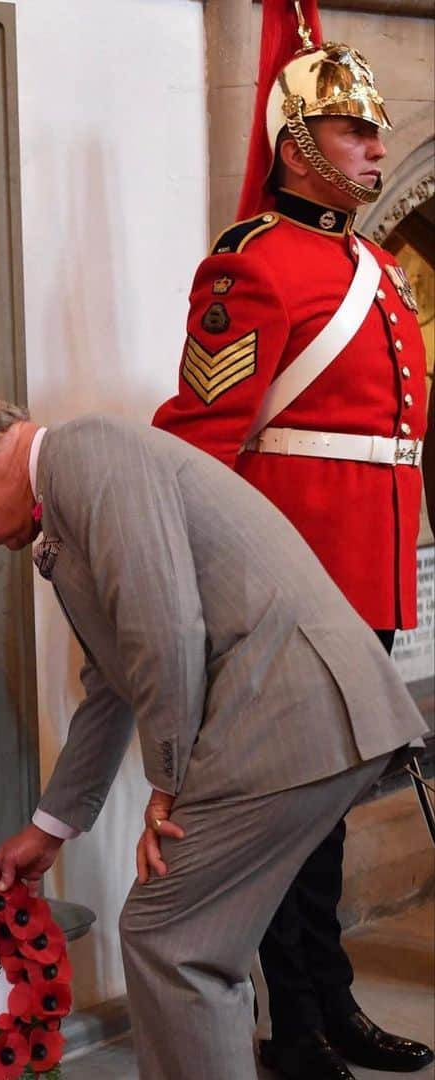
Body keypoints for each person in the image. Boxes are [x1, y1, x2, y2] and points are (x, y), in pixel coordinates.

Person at [0, 393, 427, 1080]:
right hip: (303, 709)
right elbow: (112, 681)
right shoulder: (73, 481)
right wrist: (50, 826)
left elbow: (164, 630)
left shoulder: (89, 455)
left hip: (290, 709)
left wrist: (168, 786)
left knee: (172, 939)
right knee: (193, 937)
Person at [152, 3, 431, 1076]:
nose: (375, 142)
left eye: (374, 127)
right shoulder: (252, 265)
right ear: (297, 144)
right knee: (285, 826)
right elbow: (202, 442)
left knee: (331, 819)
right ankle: (294, 1025)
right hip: (285, 585)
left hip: (363, 581)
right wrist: (199, 595)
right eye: (355, 129)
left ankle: (331, 1002)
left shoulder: (380, 272)